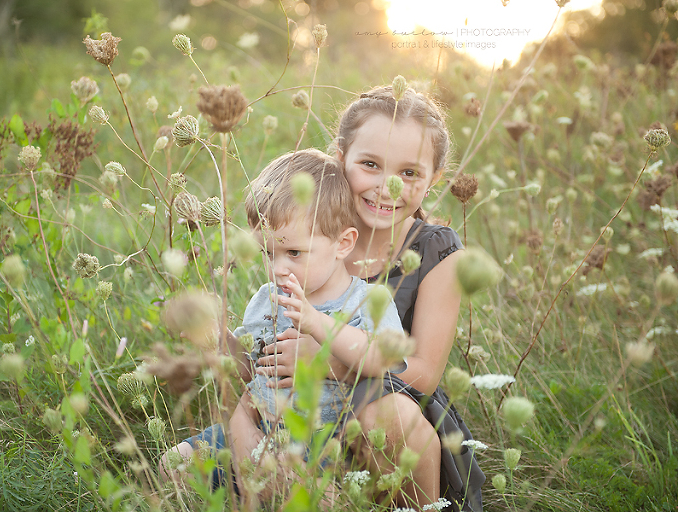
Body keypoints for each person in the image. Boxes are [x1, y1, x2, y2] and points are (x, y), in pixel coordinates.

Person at [254, 86, 485, 510]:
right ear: (340, 156)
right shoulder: (309, 237)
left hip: (391, 427)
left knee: (386, 413)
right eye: (370, 164)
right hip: (301, 416)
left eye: (410, 174)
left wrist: (327, 361)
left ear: (435, 179)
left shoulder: (437, 252)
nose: (387, 186)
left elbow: (425, 375)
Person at [160, 148, 405, 494]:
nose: (277, 269)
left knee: (304, 493)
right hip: (259, 429)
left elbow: (385, 360)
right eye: (268, 253)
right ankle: (241, 489)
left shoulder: (363, 301)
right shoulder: (265, 299)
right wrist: (218, 338)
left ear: (343, 243)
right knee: (174, 464)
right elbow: (251, 370)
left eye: (294, 253)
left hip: (325, 441)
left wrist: (316, 323)